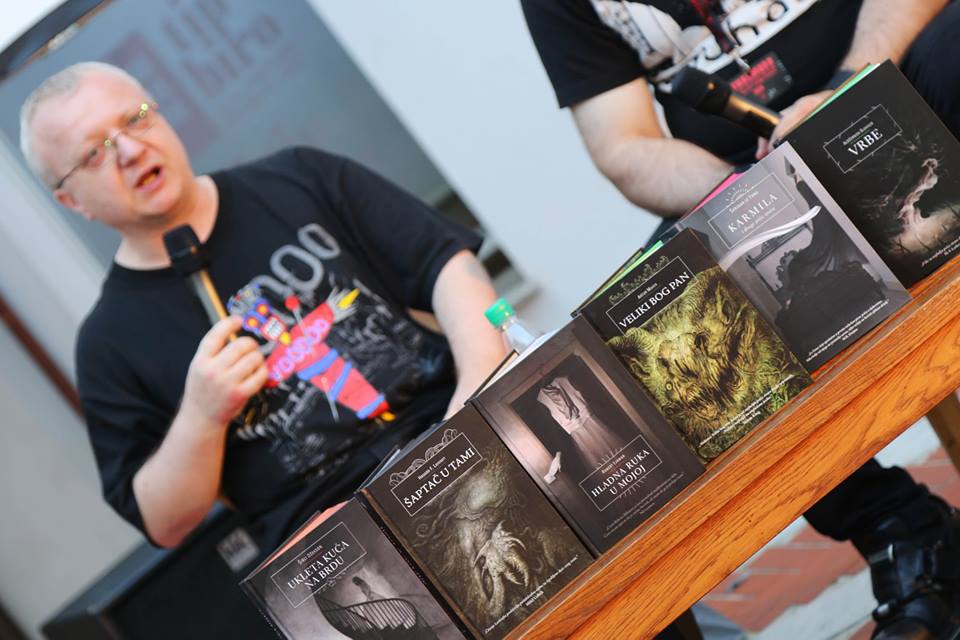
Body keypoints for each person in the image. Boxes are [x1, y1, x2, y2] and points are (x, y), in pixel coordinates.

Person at [521, 1, 960, 638]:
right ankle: (906, 533)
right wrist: (751, 188)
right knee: (655, 328)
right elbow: (624, 147)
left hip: (886, 74)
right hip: (742, 174)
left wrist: (846, 89)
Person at [18, 62, 507, 555]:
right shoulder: (107, 343)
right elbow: (164, 523)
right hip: (336, 542)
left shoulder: (300, 177)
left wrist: (472, 408)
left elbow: (447, 265)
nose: (129, 150)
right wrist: (202, 415)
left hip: (452, 429)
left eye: (136, 118)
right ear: (71, 201)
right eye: (95, 152)